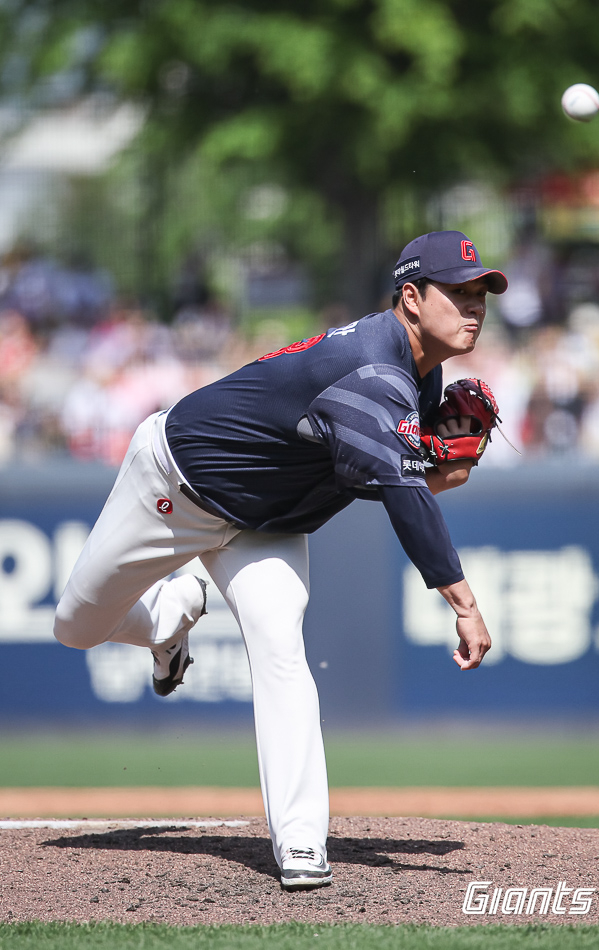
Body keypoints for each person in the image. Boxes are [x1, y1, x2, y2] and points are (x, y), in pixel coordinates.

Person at [54, 230, 508, 890]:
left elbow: (383, 473)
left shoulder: (417, 372)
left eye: (481, 294)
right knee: (76, 627)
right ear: (411, 298)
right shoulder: (376, 373)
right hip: (172, 485)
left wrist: (442, 470)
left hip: (260, 527)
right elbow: (404, 491)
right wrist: (463, 602)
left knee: (279, 647)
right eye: (459, 292)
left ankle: (300, 842)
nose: (474, 306)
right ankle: (166, 619)